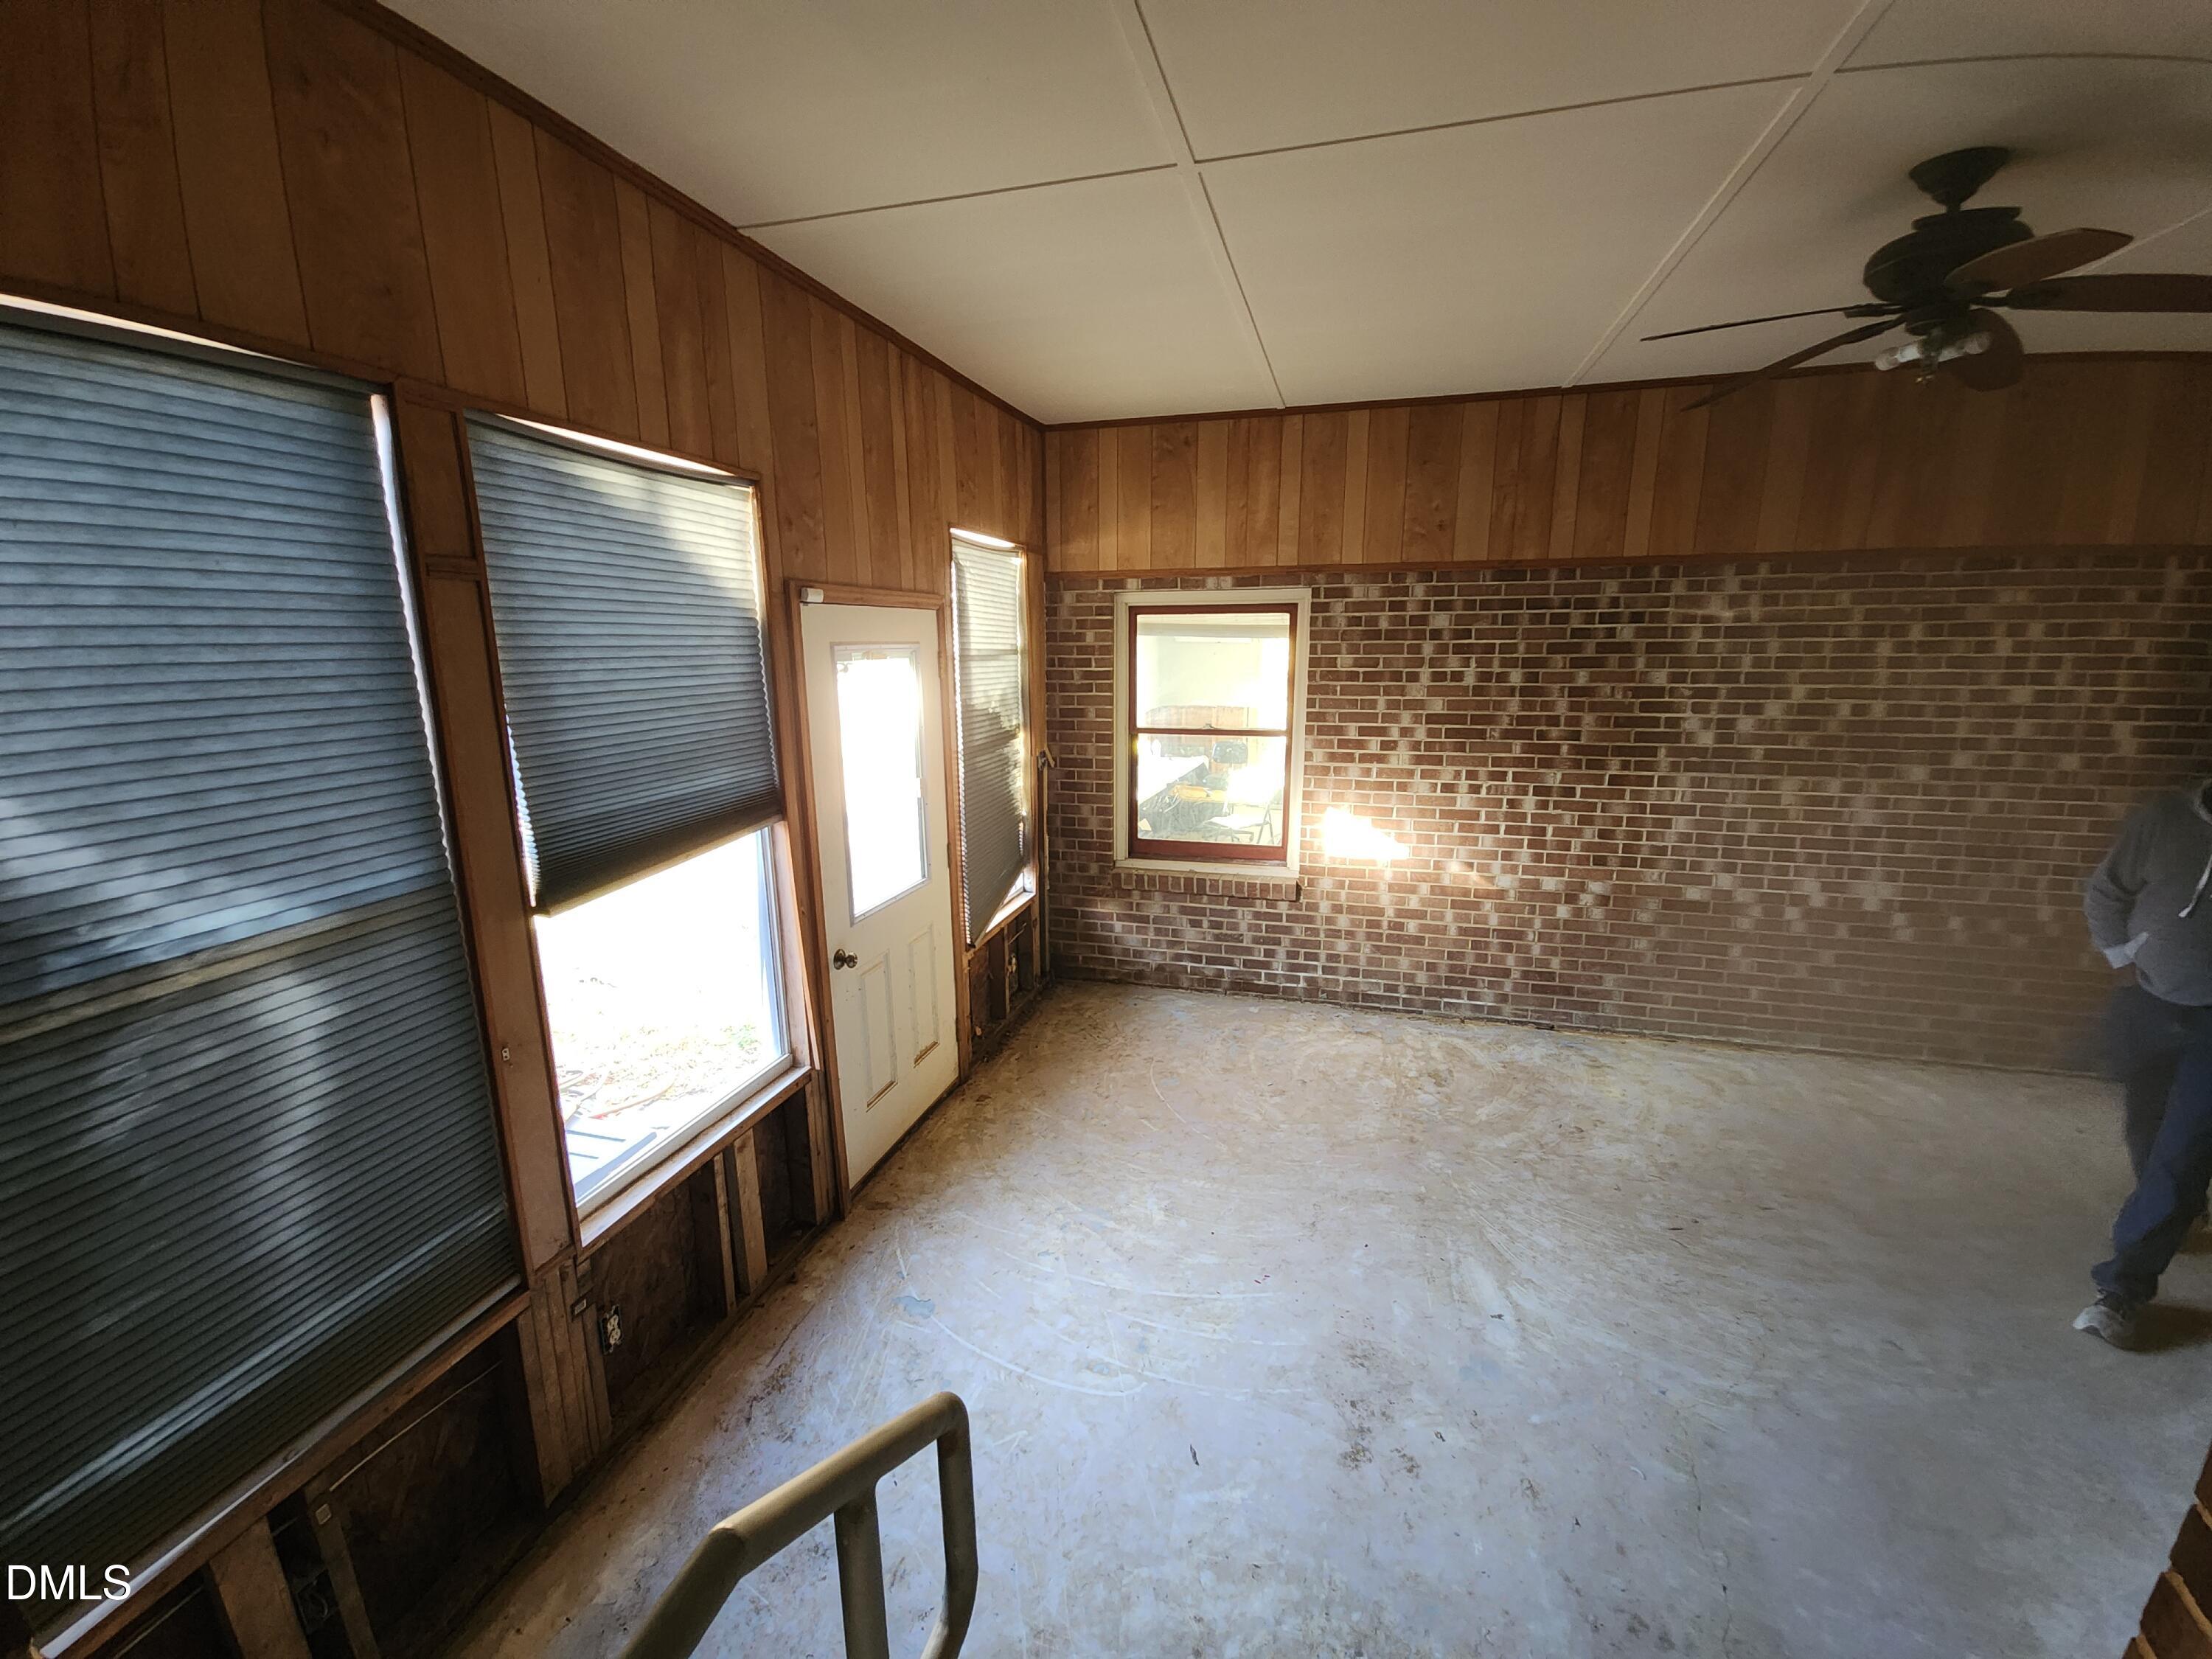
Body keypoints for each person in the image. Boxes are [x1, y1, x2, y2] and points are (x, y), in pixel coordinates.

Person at [2074, 776, 2212, 1348]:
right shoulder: (2164, 821)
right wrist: (2122, 957)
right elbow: (2107, 891)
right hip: (2148, 1004)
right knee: (2147, 1136)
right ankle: (2174, 1214)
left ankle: (2122, 1293)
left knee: (2181, 1155)